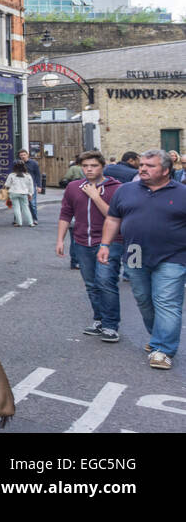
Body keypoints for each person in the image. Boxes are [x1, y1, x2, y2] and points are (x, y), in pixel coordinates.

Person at [100, 149, 186, 370]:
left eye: (150, 166)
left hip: (173, 256)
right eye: (142, 165)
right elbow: (112, 218)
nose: (143, 169)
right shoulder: (125, 190)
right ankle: (157, 336)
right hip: (136, 253)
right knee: (143, 299)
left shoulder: (182, 193)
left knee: (166, 302)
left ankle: (162, 350)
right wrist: (105, 245)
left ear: (166, 170)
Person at [57, 151, 123, 343]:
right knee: (91, 284)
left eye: (93, 166)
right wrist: (60, 240)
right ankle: (99, 320)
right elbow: (65, 214)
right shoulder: (73, 187)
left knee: (105, 282)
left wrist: (95, 196)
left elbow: (114, 216)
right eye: (85, 166)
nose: (89, 169)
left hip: (110, 243)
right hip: (81, 242)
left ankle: (111, 325)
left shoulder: (116, 188)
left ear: (102, 166)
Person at [4, 162, 35, 228]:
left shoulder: (12, 175)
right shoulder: (28, 175)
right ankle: (31, 223)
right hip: (24, 193)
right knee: (26, 208)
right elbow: (31, 186)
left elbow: (7, 185)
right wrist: (30, 194)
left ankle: (19, 223)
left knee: (16, 208)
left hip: (13, 193)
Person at [18, 150, 44, 225]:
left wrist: (39, 186)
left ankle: (34, 219)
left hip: (31, 186)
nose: (23, 156)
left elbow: (38, 175)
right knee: (19, 203)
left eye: (24, 155)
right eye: (21, 155)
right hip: (21, 185)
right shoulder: (18, 163)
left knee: (32, 203)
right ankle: (17, 220)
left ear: (27, 155)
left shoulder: (34, 163)